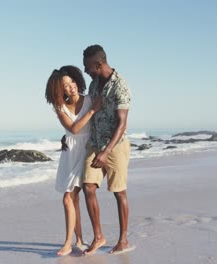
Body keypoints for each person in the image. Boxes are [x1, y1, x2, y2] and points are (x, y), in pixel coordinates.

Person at [45, 65, 102, 256]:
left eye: (72, 82)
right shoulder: (59, 107)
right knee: (73, 199)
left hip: (87, 151)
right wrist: (92, 111)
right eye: (65, 86)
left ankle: (68, 243)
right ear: (59, 90)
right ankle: (78, 239)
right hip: (70, 154)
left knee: (68, 198)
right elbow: (74, 129)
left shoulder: (89, 100)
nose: (71, 87)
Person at [81, 45, 131, 255]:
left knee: (119, 193)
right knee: (88, 186)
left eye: (88, 66)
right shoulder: (93, 85)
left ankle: (123, 239)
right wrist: (70, 135)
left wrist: (106, 151)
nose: (85, 71)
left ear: (99, 64)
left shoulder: (120, 86)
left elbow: (122, 123)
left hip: (115, 147)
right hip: (94, 143)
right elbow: (88, 112)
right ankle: (99, 236)